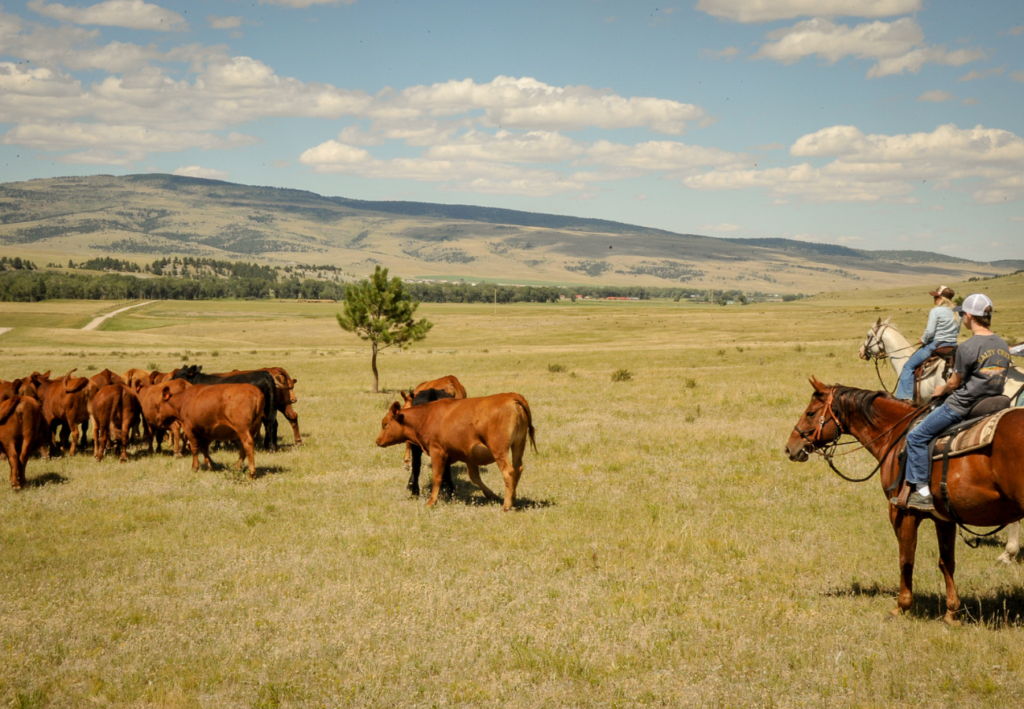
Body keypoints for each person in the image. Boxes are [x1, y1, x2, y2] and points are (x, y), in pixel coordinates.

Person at [903, 293, 1012, 511]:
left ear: (970, 317)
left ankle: (922, 492)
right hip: (995, 401)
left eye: (962, 314)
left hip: (963, 405)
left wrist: (940, 389)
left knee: (916, 436)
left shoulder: (968, 347)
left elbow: (954, 383)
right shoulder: (1003, 344)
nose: (962, 317)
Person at [894, 285, 960, 402]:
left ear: (941, 298)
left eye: (936, 297)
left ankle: (904, 398)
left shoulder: (935, 311)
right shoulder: (957, 312)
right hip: (953, 346)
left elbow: (930, 331)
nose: (934, 300)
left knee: (908, 366)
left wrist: (923, 340)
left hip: (936, 346)